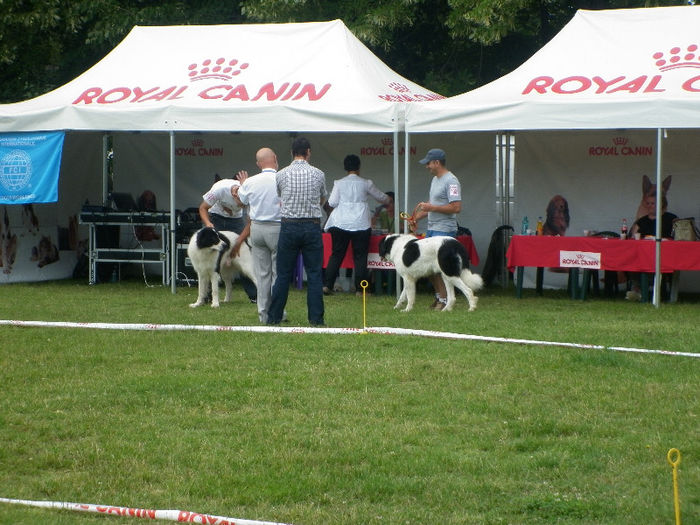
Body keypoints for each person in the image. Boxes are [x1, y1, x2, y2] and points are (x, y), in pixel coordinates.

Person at [266, 137, 328, 326]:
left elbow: (280, 196)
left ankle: (274, 317)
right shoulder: (318, 174)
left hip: (289, 225)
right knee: (315, 273)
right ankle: (316, 319)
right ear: (308, 152)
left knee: (283, 274)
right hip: (311, 225)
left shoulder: (281, 174)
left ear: (291, 153)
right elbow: (323, 198)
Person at [323, 154, 391, 296]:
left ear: (345, 168)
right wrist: (388, 198)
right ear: (359, 167)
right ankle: (361, 289)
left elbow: (333, 202)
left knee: (336, 254)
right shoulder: (366, 183)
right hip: (361, 223)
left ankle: (327, 285)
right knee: (360, 256)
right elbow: (381, 198)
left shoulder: (339, 183)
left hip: (340, 222)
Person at [234, 147, 285, 323]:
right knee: (278, 273)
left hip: (256, 228)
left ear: (258, 164)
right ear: (275, 158)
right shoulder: (282, 178)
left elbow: (241, 200)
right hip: (277, 227)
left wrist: (242, 185)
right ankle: (278, 312)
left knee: (262, 274)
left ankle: (263, 314)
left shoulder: (251, 181)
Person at [411, 148, 462, 311]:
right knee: (429, 267)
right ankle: (440, 296)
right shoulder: (435, 180)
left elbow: (456, 207)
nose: (427, 166)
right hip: (432, 229)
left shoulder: (451, 181)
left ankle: (445, 299)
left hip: (445, 230)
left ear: (437, 162)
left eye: (429, 163)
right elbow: (434, 204)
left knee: (440, 268)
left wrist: (431, 207)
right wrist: (418, 217)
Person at [198, 176, 257, 303]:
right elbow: (202, 208)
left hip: (236, 221)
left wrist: (239, 241)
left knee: (243, 255)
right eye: (240, 203)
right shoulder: (219, 189)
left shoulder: (248, 193)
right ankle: (206, 295)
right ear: (235, 194)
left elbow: (250, 222)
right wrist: (208, 224)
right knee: (211, 256)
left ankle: (254, 295)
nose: (242, 206)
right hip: (215, 217)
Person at [625, 192, 677, 301]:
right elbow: (633, 237)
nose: (649, 206)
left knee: (651, 263)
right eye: (647, 203)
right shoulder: (641, 221)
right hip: (643, 255)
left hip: (664, 255)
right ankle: (637, 289)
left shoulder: (671, 219)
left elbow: (677, 238)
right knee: (631, 260)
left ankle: (643, 289)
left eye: (652, 203)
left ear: (662, 204)